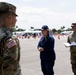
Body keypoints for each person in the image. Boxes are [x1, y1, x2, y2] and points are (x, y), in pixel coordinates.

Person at [0, 2, 22, 75]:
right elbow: (10, 70)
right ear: (10, 17)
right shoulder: (10, 40)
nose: (16, 20)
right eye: (15, 17)